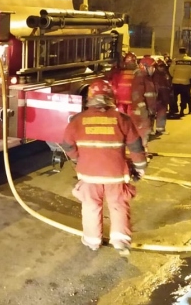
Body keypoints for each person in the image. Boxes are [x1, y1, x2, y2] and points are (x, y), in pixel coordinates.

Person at [61, 79, 147, 256]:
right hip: (115, 175)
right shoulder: (122, 119)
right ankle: (121, 242)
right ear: (111, 97)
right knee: (118, 205)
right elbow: (136, 146)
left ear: (89, 97)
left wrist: (79, 160)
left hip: (89, 175)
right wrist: (140, 167)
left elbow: (67, 145)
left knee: (91, 206)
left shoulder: (78, 120)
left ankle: (92, 241)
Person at [109, 52, 153, 150]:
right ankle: (139, 146)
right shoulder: (138, 73)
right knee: (135, 125)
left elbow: (113, 86)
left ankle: (122, 143)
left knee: (121, 124)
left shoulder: (119, 73)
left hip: (121, 103)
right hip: (133, 104)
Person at [169, 47, 191, 116]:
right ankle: (182, 110)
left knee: (174, 97)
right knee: (184, 97)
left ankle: (174, 110)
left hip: (175, 82)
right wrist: (188, 77)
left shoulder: (175, 60)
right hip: (185, 83)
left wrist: (174, 76)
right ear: (186, 51)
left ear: (179, 51)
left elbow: (170, 70)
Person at [151, 59, 173, 134]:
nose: (162, 68)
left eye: (163, 66)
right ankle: (151, 130)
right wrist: (158, 97)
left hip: (164, 97)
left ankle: (160, 129)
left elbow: (168, 85)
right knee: (152, 114)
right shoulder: (155, 75)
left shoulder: (165, 74)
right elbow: (156, 87)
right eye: (160, 66)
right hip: (158, 98)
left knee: (162, 114)